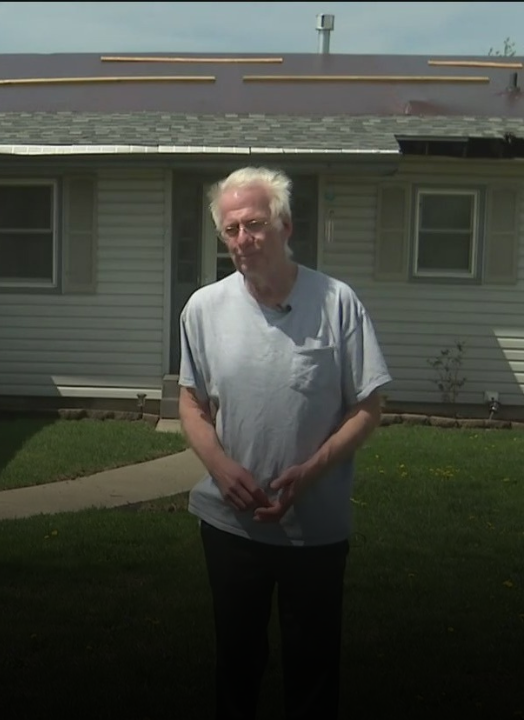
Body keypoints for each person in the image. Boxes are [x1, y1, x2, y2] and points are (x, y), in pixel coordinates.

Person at [177, 166, 392, 720]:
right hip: (231, 525)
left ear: (285, 226)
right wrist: (219, 466)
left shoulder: (337, 303)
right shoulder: (202, 309)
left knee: (313, 670)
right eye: (231, 229)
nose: (243, 239)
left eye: (255, 224)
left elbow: (368, 407)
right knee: (236, 664)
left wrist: (314, 469)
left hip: (315, 529)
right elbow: (191, 402)